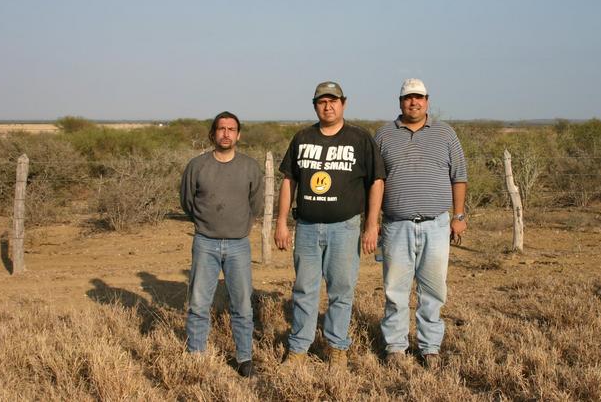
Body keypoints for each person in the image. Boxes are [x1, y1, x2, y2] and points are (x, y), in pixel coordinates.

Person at [275, 81, 385, 369]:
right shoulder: (302, 137)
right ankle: (299, 348)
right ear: (315, 106)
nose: (328, 106)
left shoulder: (360, 139)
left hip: (345, 227)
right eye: (322, 101)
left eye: (333, 101)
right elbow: (289, 180)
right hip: (308, 227)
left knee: (341, 290)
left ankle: (337, 347)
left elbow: (377, 181)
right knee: (304, 289)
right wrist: (281, 223)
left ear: (343, 104)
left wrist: (371, 224)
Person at [374, 78, 467, 369]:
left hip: (437, 225)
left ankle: (430, 348)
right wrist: (373, 221)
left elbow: (459, 176)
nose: (413, 103)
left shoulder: (445, 133)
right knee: (395, 290)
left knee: (433, 290)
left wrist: (459, 216)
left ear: (427, 100)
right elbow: (375, 181)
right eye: (408, 98)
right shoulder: (383, 136)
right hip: (396, 224)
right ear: (400, 101)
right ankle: (396, 348)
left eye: (419, 98)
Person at [180, 111, 263, 378]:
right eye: (221, 129)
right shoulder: (197, 166)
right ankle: (196, 356)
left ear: (238, 135)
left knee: (242, 305)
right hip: (205, 242)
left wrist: (239, 226)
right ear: (212, 134)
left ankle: (244, 358)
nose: (226, 133)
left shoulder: (250, 166)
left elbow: (257, 204)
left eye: (231, 129)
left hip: (239, 244)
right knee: (198, 303)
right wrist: (207, 223)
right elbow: (187, 202)